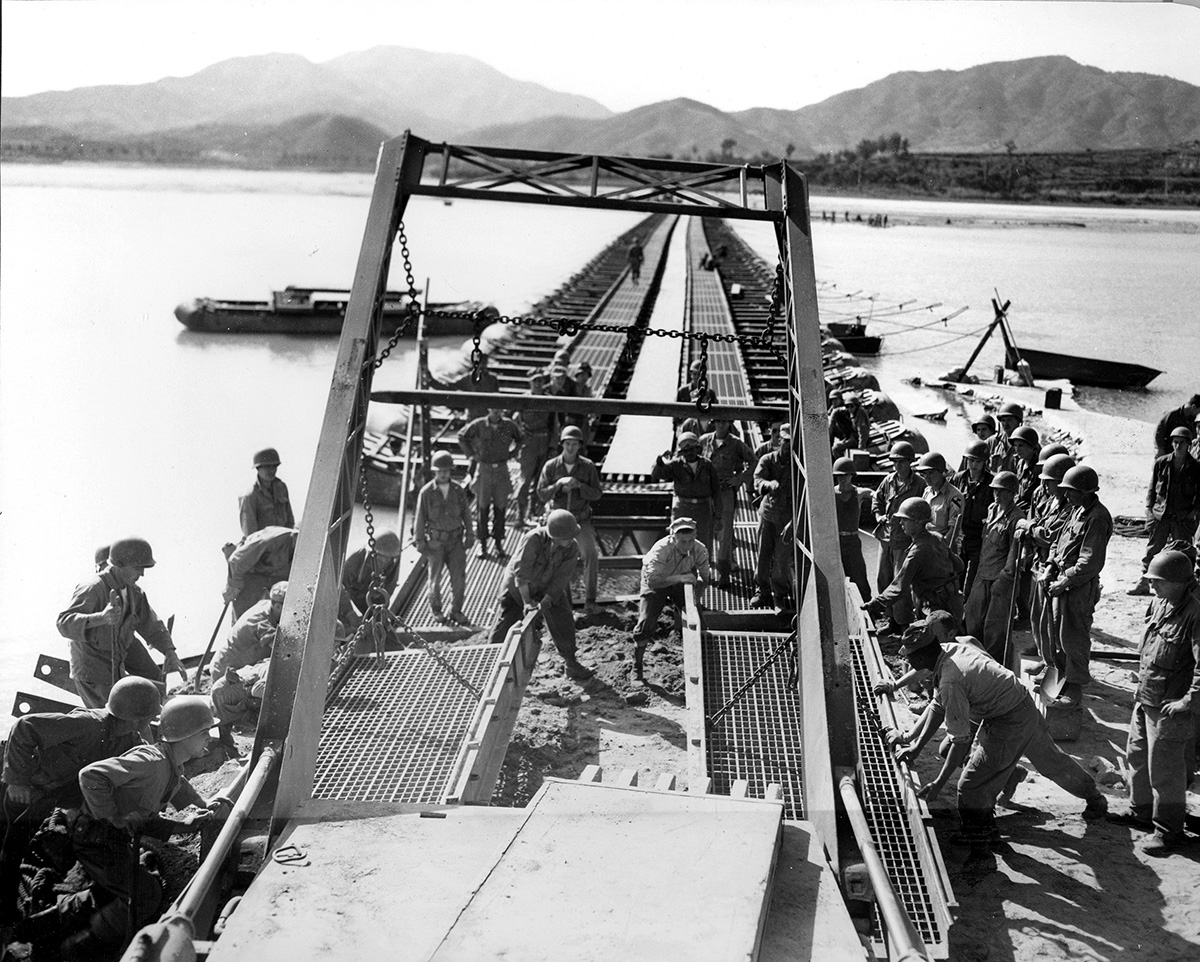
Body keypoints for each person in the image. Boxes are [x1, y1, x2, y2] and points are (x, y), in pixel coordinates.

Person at [18, 696, 230, 957]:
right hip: (95, 837)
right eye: (204, 732)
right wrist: (112, 816)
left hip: (111, 837)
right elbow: (91, 775)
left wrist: (197, 808)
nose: (209, 737)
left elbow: (173, 788)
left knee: (115, 890)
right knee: (146, 895)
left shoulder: (170, 764)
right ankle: (77, 947)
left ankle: (47, 921)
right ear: (184, 735)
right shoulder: (150, 762)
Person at [884, 612, 1107, 849]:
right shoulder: (947, 650)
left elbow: (960, 741)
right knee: (1052, 762)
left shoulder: (951, 681)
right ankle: (1094, 798)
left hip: (1009, 720)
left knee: (970, 786)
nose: (907, 662)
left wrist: (939, 783)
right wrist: (913, 744)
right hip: (1019, 704)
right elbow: (937, 707)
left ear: (921, 656)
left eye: (909, 657)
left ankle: (979, 837)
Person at [0, 678, 161, 918]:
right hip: (20, 785)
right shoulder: (88, 724)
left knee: (24, 844)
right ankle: (5, 911)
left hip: (48, 795)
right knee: (11, 846)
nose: (151, 721)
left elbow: (154, 763)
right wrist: (18, 780)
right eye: (149, 716)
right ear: (136, 719)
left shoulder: (128, 740)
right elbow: (24, 727)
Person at [1110, 550, 1200, 855]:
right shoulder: (1161, 602)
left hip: (1170, 705)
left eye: (1158, 581)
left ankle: (1168, 831)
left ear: (1180, 582)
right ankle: (1141, 812)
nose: (1152, 585)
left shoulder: (1195, 613)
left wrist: (1188, 701)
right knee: (1137, 756)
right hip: (1147, 695)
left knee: (1166, 770)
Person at [57, 538, 187, 709]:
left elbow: (151, 625)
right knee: (111, 716)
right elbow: (63, 623)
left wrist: (169, 652)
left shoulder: (134, 591)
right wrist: (101, 618)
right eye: (138, 568)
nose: (142, 574)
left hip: (117, 659)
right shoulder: (92, 588)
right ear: (119, 565)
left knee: (154, 680)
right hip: (93, 672)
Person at [488, 509, 594, 680]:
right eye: (566, 537)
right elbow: (522, 573)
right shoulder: (534, 539)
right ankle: (490, 665)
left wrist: (547, 600)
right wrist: (526, 601)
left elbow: (560, 579)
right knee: (507, 621)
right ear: (555, 536)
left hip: (546, 584)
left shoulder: (572, 548)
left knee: (563, 617)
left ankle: (571, 662)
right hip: (518, 586)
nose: (571, 540)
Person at [1042, 464, 1113, 708]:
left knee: (1074, 637)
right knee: (1058, 633)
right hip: (1064, 581)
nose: (1066, 494)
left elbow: (1090, 561)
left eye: (1071, 490)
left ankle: (1075, 687)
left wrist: (1065, 581)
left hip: (1079, 587)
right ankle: (1061, 677)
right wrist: (1050, 566)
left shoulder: (1097, 517)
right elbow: (1058, 542)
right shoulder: (1076, 510)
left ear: (1086, 492)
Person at [630, 518, 710, 686]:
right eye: (682, 541)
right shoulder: (661, 550)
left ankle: (703, 664)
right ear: (673, 538)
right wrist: (680, 578)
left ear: (695, 536)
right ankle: (636, 667)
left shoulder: (699, 549)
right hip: (657, 581)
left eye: (690, 541)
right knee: (646, 622)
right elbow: (653, 581)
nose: (687, 546)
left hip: (680, 580)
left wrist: (696, 596)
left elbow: (705, 576)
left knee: (698, 621)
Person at [864, 498, 964, 628]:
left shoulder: (918, 551)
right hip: (953, 603)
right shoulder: (937, 537)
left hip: (936, 611)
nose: (900, 523)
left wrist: (875, 603)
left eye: (905, 520)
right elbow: (959, 566)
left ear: (917, 522)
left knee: (926, 639)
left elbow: (899, 587)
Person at [1019, 453, 1076, 676]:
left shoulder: (1070, 507)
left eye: (1049, 481)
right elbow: (1038, 523)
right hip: (1041, 563)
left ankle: (1054, 666)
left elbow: (1050, 536)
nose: (1044, 485)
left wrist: (1028, 527)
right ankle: (1045, 658)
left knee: (1053, 621)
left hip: (1056, 570)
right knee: (1038, 616)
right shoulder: (1049, 499)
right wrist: (1032, 529)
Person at [1129, 426, 1200, 595]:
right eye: (1175, 442)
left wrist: (1194, 512)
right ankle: (1144, 582)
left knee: (1184, 551)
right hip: (1161, 514)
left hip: (1182, 517)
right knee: (1153, 549)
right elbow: (1152, 487)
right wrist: (1149, 509)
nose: (1178, 446)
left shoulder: (1196, 467)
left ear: (1188, 444)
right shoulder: (1162, 463)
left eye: (1181, 443)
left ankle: (1185, 589)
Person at [537, 425, 603, 606]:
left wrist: (580, 486)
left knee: (591, 554)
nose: (571, 448)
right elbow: (541, 494)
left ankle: (590, 600)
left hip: (580, 520)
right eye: (567, 444)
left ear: (580, 445)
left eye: (574, 444)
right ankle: (553, 600)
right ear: (562, 444)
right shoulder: (551, 466)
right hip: (557, 522)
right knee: (549, 558)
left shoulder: (588, 467)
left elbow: (597, 493)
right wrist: (559, 484)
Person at [963, 472, 1025, 663]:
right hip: (983, 573)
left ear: (1013, 493)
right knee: (973, 617)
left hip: (1000, 578)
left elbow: (1015, 553)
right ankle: (973, 658)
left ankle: (992, 665)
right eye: (995, 490)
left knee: (995, 627)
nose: (997, 495)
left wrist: (1004, 579)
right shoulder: (992, 509)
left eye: (1002, 491)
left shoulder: (1016, 518)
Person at [871, 441, 926, 633]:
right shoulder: (888, 481)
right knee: (883, 579)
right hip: (886, 538)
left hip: (905, 541)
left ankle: (903, 622)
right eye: (895, 461)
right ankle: (890, 619)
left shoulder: (919, 484)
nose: (898, 465)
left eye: (902, 461)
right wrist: (878, 515)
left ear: (910, 462)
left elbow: (925, 511)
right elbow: (877, 499)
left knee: (901, 583)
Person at [413, 451, 473, 625]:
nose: (443, 474)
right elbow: (420, 518)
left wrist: (470, 534)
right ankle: (437, 610)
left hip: (455, 542)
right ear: (434, 472)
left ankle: (456, 611)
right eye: (440, 471)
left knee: (459, 579)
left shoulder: (458, 490)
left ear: (450, 471)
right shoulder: (426, 492)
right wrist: (420, 541)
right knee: (435, 580)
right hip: (436, 543)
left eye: (446, 471)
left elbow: (466, 514)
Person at [459, 407, 523, 559]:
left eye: (499, 408)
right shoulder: (479, 424)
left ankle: (498, 544)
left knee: (501, 508)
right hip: (484, 470)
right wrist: (471, 455)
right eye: (493, 408)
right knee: (483, 508)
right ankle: (482, 545)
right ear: (488, 409)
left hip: (501, 469)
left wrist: (513, 453)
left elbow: (521, 438)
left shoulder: (509, 425)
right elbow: (462, 436)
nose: (496, 411)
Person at [700, 418, 756, 588]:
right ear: (713, 423)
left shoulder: (736, 444)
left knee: (725, 535)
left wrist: (739, 479)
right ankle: (704, 571)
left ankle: (724, 573)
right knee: (705, 531)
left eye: (724, 422)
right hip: (706, 493)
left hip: (725, 492)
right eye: (718, 422)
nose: (721, 425)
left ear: (729, 424)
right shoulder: (704, 441)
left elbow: (754, 462)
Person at [654, 431, 721, 560]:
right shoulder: (675, 465)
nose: (689, 453)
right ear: (681, 452)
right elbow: (657, 474)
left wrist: (718, 516)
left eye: (692, 449)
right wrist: (660, 461)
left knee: (703, 545)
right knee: (679, 544)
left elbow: (716, 491)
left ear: (697, 449)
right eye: (685, 450)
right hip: (682, 509)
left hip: (703, 510)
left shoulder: (707, 465)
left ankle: (703, 571)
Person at [752, 424, 793, 608]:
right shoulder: (768, 459)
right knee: (763, 554)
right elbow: (757, 480)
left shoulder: (799, 466)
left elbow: (805, 496)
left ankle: (780, 594)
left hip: (787, 519)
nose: (788, 445)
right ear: (779, 440)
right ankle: (762, 590)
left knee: (781, 558)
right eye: (786, 441)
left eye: (792, 442)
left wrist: (794, 522)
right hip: (768, 515)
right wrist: (768, 485)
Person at [211, 581, 287, 679]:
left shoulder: (268, 605)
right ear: (278, 606)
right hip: (226, 672)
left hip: (241, 664)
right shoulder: (260, 621)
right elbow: (282, 649)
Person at [951, 439, 994, 596]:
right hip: (959, 534)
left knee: (973, 578)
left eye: (978, 461)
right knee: (956, 574)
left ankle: (968, 605)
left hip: (979, 537)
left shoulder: (991, 483)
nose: (974, 465)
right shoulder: (958, 479)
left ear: (984, 462)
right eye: (971, 460)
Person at [224, 525, 297, 618]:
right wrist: (233, 589)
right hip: (248, 575)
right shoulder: (270, 540)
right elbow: (236, 562)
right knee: (244, 617)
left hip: (270, 576)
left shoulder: (299, 557)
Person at [515, 370, 555, 526]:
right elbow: (513, 421)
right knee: (524, 480)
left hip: (544, 443)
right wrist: (518, 443)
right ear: (529, 382)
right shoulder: (523, 399)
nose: (538, 384)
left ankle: (532, 513)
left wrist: (552, 446)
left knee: (540, 481)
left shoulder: (549, 400)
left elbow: (555, 425)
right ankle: (520, 516)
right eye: (535, 381)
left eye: (540, 381)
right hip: (528, 444)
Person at [340, 530, 403, 626]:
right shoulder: (354, 559)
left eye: (388, 560)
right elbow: (339, 586)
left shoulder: (392, 564)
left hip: (367, 593)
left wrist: (378, 615)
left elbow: (389, 589)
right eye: (381, 560)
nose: (385, 563)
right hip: (350, 589)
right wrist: (349, 613)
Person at [832, 457, 872, 601]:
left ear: (852, 475)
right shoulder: (830, 493)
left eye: (846, 475)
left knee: (859, 577)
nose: (842, 479)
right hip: (836, 542)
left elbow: (877, 495)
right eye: (839, 475)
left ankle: (868, 605)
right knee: (836, 577)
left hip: (852, 541)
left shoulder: (859, 493)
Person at [427, 352, 501, 423]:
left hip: (487, 419)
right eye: (480, 363)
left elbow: (497, 400)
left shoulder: (492, 379)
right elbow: (449, 387)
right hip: (473, 418)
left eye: (484, 363)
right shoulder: (468, 379)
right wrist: (432, 381)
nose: (482, 365)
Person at [916, 452, 964, 557]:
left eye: (931, 473)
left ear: (941, 472)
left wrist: (940, 549)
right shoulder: (927, 492)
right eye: (924, 473)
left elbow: (953, 530)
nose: (927, 477)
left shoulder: (954, 496)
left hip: (944, 548)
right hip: (927, 545)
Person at [239, 447, 294, 537]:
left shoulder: (281, 487)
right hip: (263, 543)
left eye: (274, 466)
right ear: (258, 468)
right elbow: (250, 533)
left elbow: (290, 521)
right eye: (267, 467)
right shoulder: (249, 495)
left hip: (284, 541)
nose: (272, 470)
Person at [1008, 426, 1041, 513]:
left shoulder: (1038, 468)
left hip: (1030, 510)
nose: (1017, 449)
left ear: (1031, 447)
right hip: (1018, 505)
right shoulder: (1020, 463)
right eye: (1015, 445)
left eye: (1021, 445)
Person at [988, 402, 1024, 474]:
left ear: (1018, 421)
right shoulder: (994, 441)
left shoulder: (1027, 443)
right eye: (1003, 420)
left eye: (1009, 420)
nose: (1005, 424)